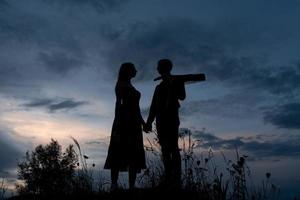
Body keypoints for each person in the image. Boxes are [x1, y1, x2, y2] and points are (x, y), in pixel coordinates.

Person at [104, 62, 146, 190]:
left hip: (134, 124)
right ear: (128, 71)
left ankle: (131, 186)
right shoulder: (121, 85)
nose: (136, 71)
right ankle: (114, 184)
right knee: (118, 151)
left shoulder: (129, 85)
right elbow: (118, 105)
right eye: (134, 69)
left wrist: (143, 123)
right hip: (123, 123)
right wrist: (117, 123)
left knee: (133, 153)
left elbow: (136, 108)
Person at [144, 59, 186, 188]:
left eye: (159, 66)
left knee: (173, 147)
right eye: (158, 67)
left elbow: (182, 96)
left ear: (166, 68)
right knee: (165, 149)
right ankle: (168, 177)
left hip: (172, 118)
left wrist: (172, 84)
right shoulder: (158, 88)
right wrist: (149, 122)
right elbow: (153, 106)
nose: (158, 69)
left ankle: (176, 179)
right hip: (160, 120)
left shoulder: (177, 81)